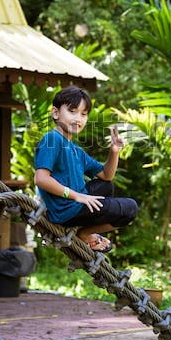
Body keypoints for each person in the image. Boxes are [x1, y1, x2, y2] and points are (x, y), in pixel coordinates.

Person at [34, 85, 138, 252]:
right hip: (64, 210)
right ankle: (85, 234)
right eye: (73, 111)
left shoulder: (75, 150)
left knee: (106, 186)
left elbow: (106, 175)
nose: (79, 118)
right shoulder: (52, 139)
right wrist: (77, 196)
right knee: (130, 208)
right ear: (56, 113)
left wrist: (114, 152)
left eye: (83, 114)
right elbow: (41, 179)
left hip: (75, 204)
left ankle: (83, 233)